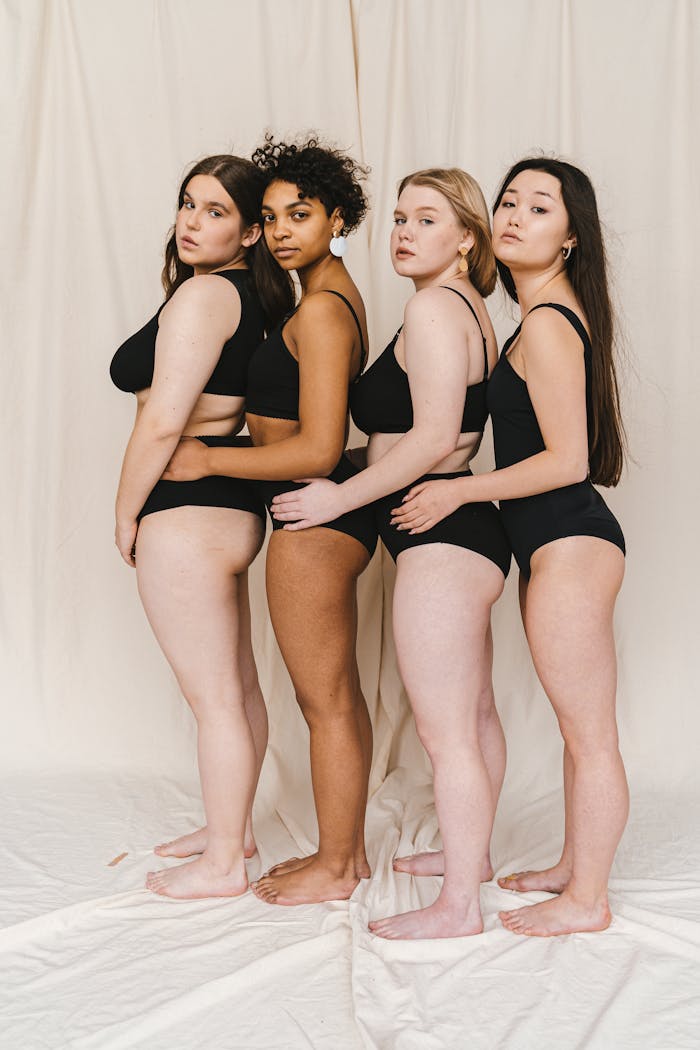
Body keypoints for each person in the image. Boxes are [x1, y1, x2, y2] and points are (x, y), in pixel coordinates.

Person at [270, 168, 511, 938]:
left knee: (448, 731)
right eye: (401, 218)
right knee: (472, 714)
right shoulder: (471, 308)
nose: (405, 232)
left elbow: (437, 437)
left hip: (440, 529)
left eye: (428, 220)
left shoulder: (436, 307)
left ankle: (460, 910)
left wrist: (341, 496)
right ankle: (470, 860)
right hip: (457, 527)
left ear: (466, 238)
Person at [391, 157, 628, 937]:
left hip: (570, 540)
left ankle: (586, 901)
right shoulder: (537, 315)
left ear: (569, 239)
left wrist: (459, 489)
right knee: (575, 729)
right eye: (508, 202)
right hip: (550, 543)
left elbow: (569, 460)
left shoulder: (554, 324)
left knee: (591, 735)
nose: (515, 216)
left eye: (540, 208)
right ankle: (572, 867)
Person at [163, 136, 377, 906]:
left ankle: (338, 864)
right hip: (311, 510)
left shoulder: (321, 310)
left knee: (326, 704)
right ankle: (342, 857)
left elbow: (317, 445)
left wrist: (208, 460)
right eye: (272, 216)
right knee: (335, 699)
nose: (283, 230)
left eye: (302, 214)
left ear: (338, 219)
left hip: (309, 519)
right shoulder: (328, 293)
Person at [111, 154, 293, 899]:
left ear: (252, 232)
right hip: (228, 509)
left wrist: (125, 510)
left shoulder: (205, 299)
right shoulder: (245, 296)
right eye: (189, 204)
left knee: (214, 697)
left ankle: (224, 863)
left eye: (216, 211)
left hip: (185, 516)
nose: (192, 221)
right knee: (238, 687)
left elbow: (162, 421)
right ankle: (235, 829)